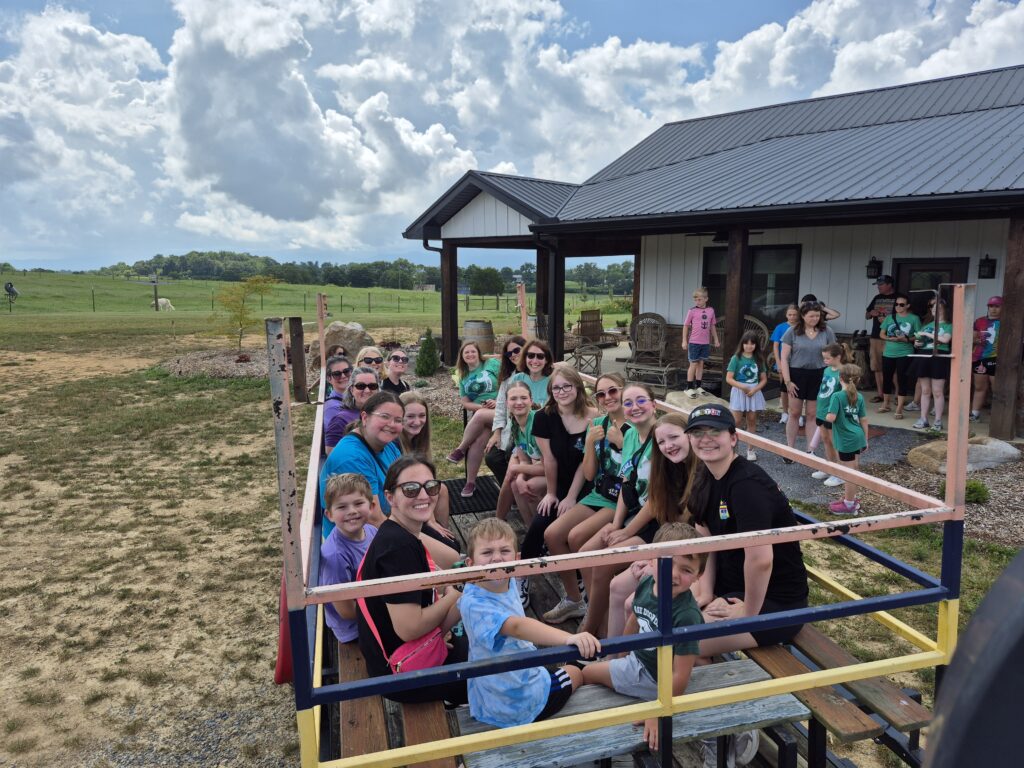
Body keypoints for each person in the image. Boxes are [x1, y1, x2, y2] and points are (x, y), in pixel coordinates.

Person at [685, 405, 809, 655]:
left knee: (677, 641)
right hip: (733, 588)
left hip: (776, 603)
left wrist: (748, 613)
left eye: (714, 431)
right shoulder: (705, 475)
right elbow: (705, 543)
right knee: (646, 607)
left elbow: (761, 560)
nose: (705, 439)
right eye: (697, 432)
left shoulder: (747, 485)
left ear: (733, 438)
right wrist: (706, 592)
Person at [458, 518, 600, 727]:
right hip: (517, 701)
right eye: (487, 553)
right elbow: (516, 626)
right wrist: (570, 637)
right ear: (470, 563)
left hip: (497, 687)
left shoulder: (504, 580)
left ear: (516, 559)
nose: (497, 559)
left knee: (564, 664)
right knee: (577, 671)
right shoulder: (475, 603)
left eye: (504, 551)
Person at [581, 523, 707, 753]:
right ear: (651, 559)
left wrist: (659, 709)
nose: (673, 574)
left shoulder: (687, 614)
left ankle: (591, 736)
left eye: (686, 570)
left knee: (587, 673)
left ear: (699, 576)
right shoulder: (648, 583)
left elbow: (680, 675)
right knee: (599, 669)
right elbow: (635, 618)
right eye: (666, 561)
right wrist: (622, 653)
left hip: (655, 680)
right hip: (640, 663)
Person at [356, 455, 467, 704]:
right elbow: (410, 628)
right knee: (513, 680)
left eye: (431, 486)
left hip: (396, 658)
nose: (424, 495)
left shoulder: (400, 533)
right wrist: (456, 595)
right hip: (404, 676)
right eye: (410, 489)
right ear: (390, 497)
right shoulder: (397, 547)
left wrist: (453, 595)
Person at [320, 391, 457, 561]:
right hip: (363, 536)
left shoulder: (388, 445)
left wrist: (428, 518)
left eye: (398, 420)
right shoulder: (351, 457)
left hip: (396, 516)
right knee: (452, 557)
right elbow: (373, 517)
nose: (392, 425)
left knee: (451, 545)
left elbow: (410, 483)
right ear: (365, 417)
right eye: (384, 417)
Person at [604, 412, 705, 639]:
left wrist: (655, 563)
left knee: (632, 601)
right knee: (617, 587)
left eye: (674, 437)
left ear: (689, 436)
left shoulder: (702, 473)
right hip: (671, 548)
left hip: (691, 560)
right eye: (661, 442)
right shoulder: (667, 468)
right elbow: (663, 515)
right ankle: (611, 657)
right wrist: (653, 556)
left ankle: (630, 660)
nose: (668, 446)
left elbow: (698, 537)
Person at [541, 372, 630, 624]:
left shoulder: (635, 427)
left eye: (613, 391)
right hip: (600, 492)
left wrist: (621, 443)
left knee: (577, 538)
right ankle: (575, 599)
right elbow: (590, 473)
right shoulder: (598, 424)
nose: (608, 397)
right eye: (601, 394)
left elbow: (638, 473)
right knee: (552, 535)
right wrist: (590, 442)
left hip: (622, 498)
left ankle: (596, 615)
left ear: (624, 391)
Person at [576, 383, 658, 637]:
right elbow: (627, 482)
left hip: (656, 520)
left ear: (654, 405)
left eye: (641, 401)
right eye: (629, 403)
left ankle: (591, 628)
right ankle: (598, 616)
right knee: (584, 553)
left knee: (602, 564)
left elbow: (657, 498)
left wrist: (626, 530)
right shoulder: (632, 435)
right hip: (634, 512)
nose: (634, 408)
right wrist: (617, 523)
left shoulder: (661, 438)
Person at [519, 365, 598, 610]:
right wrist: (552, 494)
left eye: (567, 386)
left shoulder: (594, 417)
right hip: (559, 482)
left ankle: (577, 584)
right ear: (550, 391)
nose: (562, 391)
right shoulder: (544, 417)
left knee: (562, 532)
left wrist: (572, 496)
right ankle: (522, 576)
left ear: (577, 387)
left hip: (588, 483)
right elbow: (549, 459)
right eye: (556, 387)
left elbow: (585, 464)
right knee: (540, 524)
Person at [319, 473, 378, 644]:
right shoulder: (335, 555)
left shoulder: (371, 531)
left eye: (359, 503)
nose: (352, 511)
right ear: (329, 515)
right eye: (342, 507)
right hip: (354, 629)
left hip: (371, 602)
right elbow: (346, 611)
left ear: (372, 506)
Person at [779, 302, 837, 459]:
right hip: (796, 374)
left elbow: (835, 353)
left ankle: (810, 450)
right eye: (811, 316)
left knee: (812, 414)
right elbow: (784, 357)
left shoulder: (827, 331)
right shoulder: (792, 332)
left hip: (819, 375)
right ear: (803, 316)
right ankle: (790, 449)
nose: (815, 319)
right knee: (794, 412)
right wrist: (787, 381)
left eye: (817, 316)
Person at [446, 340, 502, 497]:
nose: (470, 354)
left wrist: (497, 401)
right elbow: (465, 403)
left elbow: (507, 385)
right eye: (466, 352)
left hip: (501, 409)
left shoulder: (491, 364)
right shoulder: (463, 375)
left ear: (478, 353)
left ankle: (461, 449)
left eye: (473, 351)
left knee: (479, 416)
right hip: (481, 414)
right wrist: (481, 408)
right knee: (477, 442)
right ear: (462, 357)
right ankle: (470, 483)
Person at [399, 391, 452, 532]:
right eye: (410, 416)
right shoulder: (395, 445)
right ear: (399, 418)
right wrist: (430, 520)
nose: (417, 422)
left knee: (441, 489)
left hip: (416, 494)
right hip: (402, 500)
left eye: (422, 416)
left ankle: (442, 531)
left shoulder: (419, 442)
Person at [482, 335, 528, 490]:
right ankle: (509, 492)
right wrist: (496, 432)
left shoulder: (535, 374)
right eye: (509, 353)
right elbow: (500, 407)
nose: (514, 355)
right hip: (510, 428)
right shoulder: (508, 378)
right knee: (492, 457)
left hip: (529, 430)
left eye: (516, 350)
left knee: (511, 455)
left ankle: (517, 492)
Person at [826, 365, 869, 515]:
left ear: (840, 378)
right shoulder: (860, 396)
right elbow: (863, 419)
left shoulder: (837, 396)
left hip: (846, 439)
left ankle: (849, 504)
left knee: (849, 472)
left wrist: (826, 415)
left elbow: (831, 417)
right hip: (858, 436)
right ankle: (851, 498)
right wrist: (866, 439)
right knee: (854, 468)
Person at [726, 331, 768, 460]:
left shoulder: (759, 359)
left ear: (756, 345)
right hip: (739, 392)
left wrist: (755, 389)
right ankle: (732, 449)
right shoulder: (736, 358)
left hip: (754, 392)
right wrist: (742, 386)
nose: (749, 346)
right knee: (736, 421)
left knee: (751, 420)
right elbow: (729, 378)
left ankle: (751, 449)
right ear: (742, 344)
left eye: (752, 344)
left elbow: (764, 379)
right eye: (746, 343)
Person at [911, 297, 952, 430]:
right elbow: (921, 342)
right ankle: (923, 418)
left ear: (944, 309)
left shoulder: (948, 325)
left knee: (938, 391)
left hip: (939, 356)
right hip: (924, 355)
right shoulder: (927, 326)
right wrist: (917, 342)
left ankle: (938, 421)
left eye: (937, 306)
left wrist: (927, 335)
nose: (934, 309)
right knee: (925, 390)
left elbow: (945, 340)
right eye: (932, 307)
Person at [879, 293, 921, 419]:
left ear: (907, 306)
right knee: (886, 378)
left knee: (902, 379)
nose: (898, 306)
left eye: (901, 304)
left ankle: (899, 408)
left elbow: (919, 335)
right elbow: (881, 333)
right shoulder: (890, 317)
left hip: (905, 352)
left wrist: (907, 339)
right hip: (888, 352)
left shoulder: (914, 318)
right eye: (896, 304)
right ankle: (886, 403)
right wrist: (888, 338)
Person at [811, 343, 847, 489]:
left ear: (838, 357)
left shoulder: (844, 372)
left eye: (827, 358)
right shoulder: (826, 370)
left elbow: (845, 393)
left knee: (835, 441)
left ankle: (841, 473)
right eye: (824, 358)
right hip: (821, 410)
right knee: (826, 439)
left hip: (832, 412)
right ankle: (830, 467)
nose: (825, 361)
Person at [324, 367, 379, 454]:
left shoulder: (384, 415)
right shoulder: (340, 421)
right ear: (351, 390)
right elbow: (333, 457)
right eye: (361, 386)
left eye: (372, 386)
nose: (367, 390)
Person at [682, 287, 719, 398]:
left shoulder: (711, 310)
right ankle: (689, 387)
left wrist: (716, 339)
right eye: (695, 300)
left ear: (706, 299)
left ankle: (698, 386)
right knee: (693, 363)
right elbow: (686, 325)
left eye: (699, 299)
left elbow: (712, 326)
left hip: (705, 342)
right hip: (694, 342)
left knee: (701, 364)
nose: (697, 302)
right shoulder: (692, 311)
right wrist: (684, 340)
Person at [865, 276, 897, 403]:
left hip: (892, 337)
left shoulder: (899, 298)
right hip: (876, 336)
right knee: (877, 366)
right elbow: (867, 315)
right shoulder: (877, 298)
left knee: (893, 367)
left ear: (889, 285)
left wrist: (889, 320)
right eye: (878, 284)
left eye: (881, 284)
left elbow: (905, 316)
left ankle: (897, 395)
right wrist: (870, 313)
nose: (879, 287)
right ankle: (880, 394)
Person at [970, 296, 1001, 423]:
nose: (993, 309)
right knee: (979, 387)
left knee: (998, 389)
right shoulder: (979, 321)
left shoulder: (1007, 321)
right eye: (991, 306)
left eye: (997, 306)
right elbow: (971, 337)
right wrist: (975, 340)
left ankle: (998, 416)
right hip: (980, 357)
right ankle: (975, 414)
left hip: (997, 358)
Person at [770, 305, 800, 424]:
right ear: (786, 315)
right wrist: (778, 363)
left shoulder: (801, 327)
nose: (792, 317)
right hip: (784, 362)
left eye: (794, 314)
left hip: (798, 363)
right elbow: (776, 346)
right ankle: (785, 412)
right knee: (784, 388)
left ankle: (797, 413)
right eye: (790, 314)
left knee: (798, 388)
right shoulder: (780, 327)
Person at [323, 355, 353, 431]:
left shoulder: (354, 398)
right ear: (329, 379)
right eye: (337, 374)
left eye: (346, 371)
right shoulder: (332, 408)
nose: (343, 376)